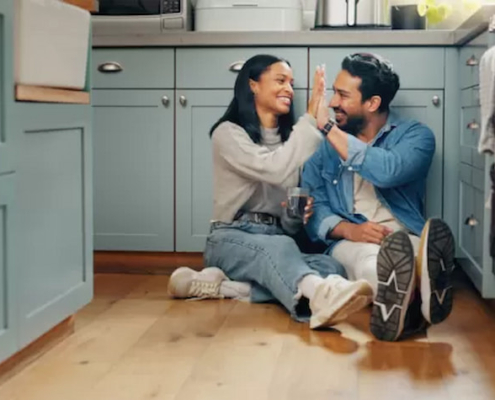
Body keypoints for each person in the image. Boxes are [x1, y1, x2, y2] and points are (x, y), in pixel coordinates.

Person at [167, 54, 373, 329]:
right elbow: (274, 169)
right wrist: (311, 119)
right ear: (253, 85)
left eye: (291, 83)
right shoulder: (228, 134)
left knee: (332, 268)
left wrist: (294, 214)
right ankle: (320, 297)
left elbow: (288, 224)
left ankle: (228, 288)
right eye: (280, 80)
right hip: (230, 238)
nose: (289, 88)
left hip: (276, 239)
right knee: (282, 249)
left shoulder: (292, 142)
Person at [301, 52, 456, 341]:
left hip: (401, 235)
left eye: (343, 95)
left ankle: (411, 291)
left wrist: (327, 127)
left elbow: (388, 171)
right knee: (369, 260)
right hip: (351, 240)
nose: (333, 103)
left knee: (410, 251)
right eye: (334, 92)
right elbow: (312, 209)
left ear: (372, 103)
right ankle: (414, 300)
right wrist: (351, 230)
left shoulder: (416, 137)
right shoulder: (324, 148)